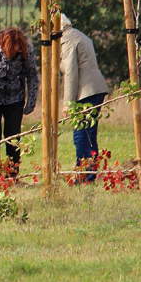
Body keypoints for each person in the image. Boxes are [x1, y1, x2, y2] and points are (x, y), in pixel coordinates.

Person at [0, 27, 40, 170]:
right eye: (13, 51)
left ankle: (12, 174)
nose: (15, 54)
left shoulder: (26, 48)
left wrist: (31, 101)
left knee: (13, 138)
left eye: (18, 52)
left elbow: (32, 76)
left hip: (15, 100)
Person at [59, 13, 109, 180]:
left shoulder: (67, 41)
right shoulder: (79, 35)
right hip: (96, 88)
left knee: (80, 133)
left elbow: (71, 74)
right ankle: (90, 173)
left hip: (86, 92)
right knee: (90, 133)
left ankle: (83, 174)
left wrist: (68, 103)